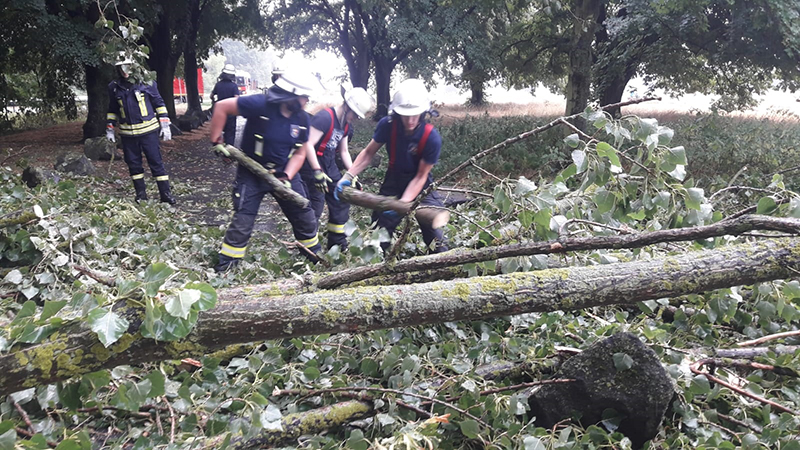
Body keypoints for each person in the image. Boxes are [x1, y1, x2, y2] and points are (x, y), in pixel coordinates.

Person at [209, 69, 325, 272]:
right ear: (291, 94)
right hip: (251, 171)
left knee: (303, 214)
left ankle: (313, 257)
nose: (306, 101)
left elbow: (299, 154)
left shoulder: (303, 120)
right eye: (304, 97)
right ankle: (227, 267)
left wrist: (287, 176)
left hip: (282, 173)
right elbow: (221, 107)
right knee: (243, 218)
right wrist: (217, 139)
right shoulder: (260, 104)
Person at [335, 79, 448, 253]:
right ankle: (375, 267)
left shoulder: (431, 137)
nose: (410, 120)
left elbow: (421, 176)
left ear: (424, 112)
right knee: (379, 233)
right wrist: (348, 176)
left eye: (415, 115)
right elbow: (368, 153)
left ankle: (444, 267)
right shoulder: (388, 125)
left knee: (435, 236)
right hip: (393, 180)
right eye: (405, 115)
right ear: (396, 112)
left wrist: (402, 205)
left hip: (421, 184)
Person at [296, 87, 374, 251]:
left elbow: (344, 151)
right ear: (347, 106)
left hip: (329, 162)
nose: (354, 119)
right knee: (315, 207)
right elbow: (308, 144)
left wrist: (352, 175)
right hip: (312, 164)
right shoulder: (324, 118)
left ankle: (337, 243)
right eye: (354, 114)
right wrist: (317, 171)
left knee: (340, 198)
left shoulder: (345, 124)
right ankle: (309, 249)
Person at [106, 54, 175, 204]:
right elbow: (112, 109)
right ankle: (141, 195)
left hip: (148, 132)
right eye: (121, 67)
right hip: (128, 135)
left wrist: (165, 124)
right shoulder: (114, 87)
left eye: (128, 66)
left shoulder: (147, 83)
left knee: (156, 163)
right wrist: (110, 128)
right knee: (134, 165)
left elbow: (159, 103)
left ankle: (165, 195)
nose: (125, 71)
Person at [210, 64, 239, 145]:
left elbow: (211, 96)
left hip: (219, 112)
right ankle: (228, 153)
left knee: (218, 131)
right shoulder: (234, 86)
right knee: (230, 134)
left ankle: (218, 148)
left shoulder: (218, 85)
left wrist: (214, 102)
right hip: (230, 113)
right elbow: (236, 99)